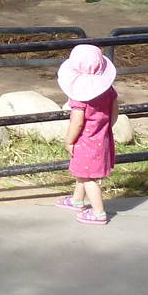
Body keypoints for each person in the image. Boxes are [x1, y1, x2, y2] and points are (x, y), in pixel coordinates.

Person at [55, 43, 118, 225]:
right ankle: (77, 200)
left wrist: (69, 140)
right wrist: (106, 127)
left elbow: (77, 122)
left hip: (85, 142)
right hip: (102, 138)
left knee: (89, 178)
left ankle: (98, 212)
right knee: (83, 173)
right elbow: (114, 111)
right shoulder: (108, 91)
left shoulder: (79, 97)